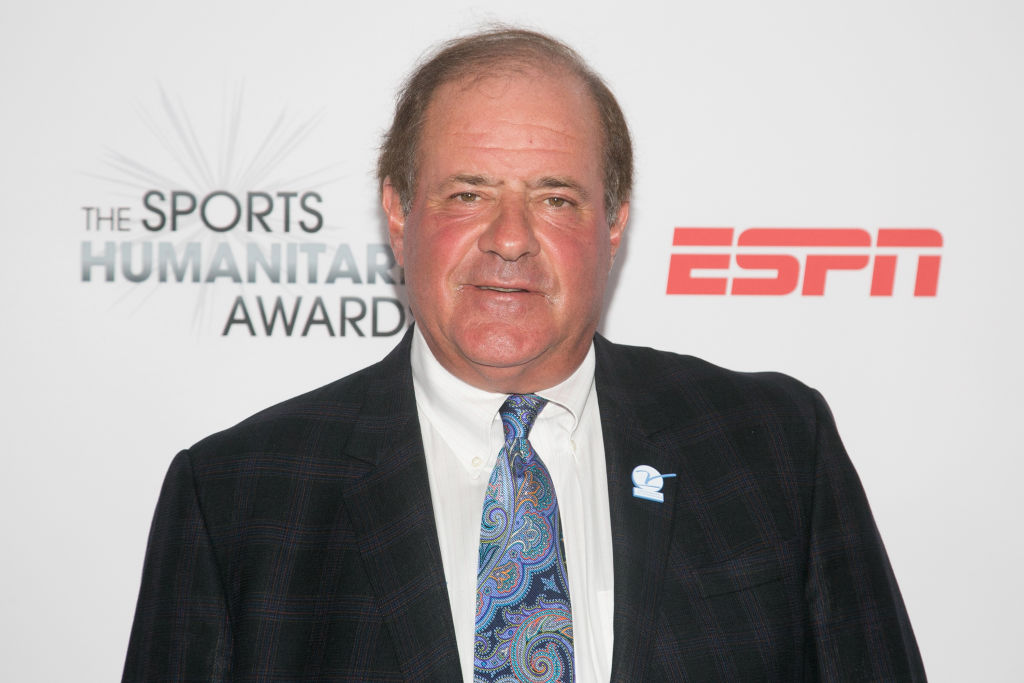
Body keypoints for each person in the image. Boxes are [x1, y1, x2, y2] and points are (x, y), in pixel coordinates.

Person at [123, 27, 926, 682]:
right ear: (398, 213)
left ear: (613, 223)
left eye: (555, 198)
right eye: (468, 194)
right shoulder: (236, 497)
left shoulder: (775, 447)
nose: (510, 238)